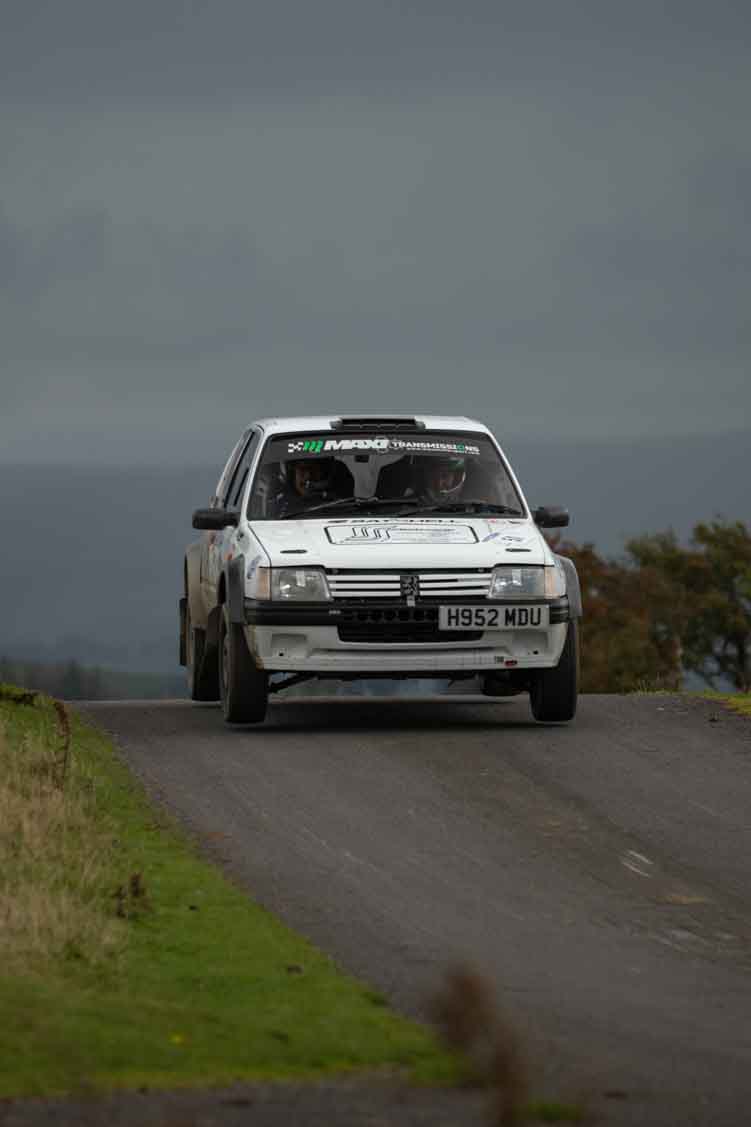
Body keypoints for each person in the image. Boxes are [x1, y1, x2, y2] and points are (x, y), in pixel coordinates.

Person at [271, 457, 339, 516]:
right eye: (302, 470)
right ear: (292, 475)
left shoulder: (338, 503)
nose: (308, 476)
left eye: (313, 470)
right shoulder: (278, 508)